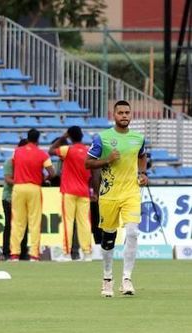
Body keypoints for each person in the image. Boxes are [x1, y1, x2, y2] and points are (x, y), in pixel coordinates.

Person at [85, 100, 148, 297]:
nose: (124, 115)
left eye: (127, 112)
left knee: (132, 233)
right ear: (114, 115)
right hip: (109, 195)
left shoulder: (138, 138)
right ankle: (107, 278)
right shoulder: (102, 138)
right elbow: (88, 163)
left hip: (131, 193)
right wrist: (107, 160)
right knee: (109, 237)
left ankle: (127, 279)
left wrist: (143, 173)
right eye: (120, 112)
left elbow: (142, 155)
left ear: (131, 115)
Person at [9, 128, 55, 262]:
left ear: (27, 138)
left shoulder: (16, 152)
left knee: (17, 221)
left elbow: (13, 166)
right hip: (34, 187)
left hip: (18, 186)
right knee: (35, 222)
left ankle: (14, 254)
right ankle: (34, 254)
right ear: (38, 139)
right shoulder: (42, 154)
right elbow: (52, 173)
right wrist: (44, 178)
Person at [49, 126, 92, 262]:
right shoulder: (88, 151)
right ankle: (87, 253)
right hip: (84, 191)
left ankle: (66, 254)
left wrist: (63, 137)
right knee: (84, 222)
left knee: (68, 221)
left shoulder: (67, 150)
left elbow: (50, 151)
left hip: (69, 191)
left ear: (70, 136)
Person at [2, 139, 29, 260]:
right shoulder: (10, 162)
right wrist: (22, 183)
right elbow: (8, 179)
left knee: (24, 225)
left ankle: (23, 252)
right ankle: (6, 252)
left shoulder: (25, 162)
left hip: (22, 197)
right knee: (10, 225)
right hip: (9, 197)